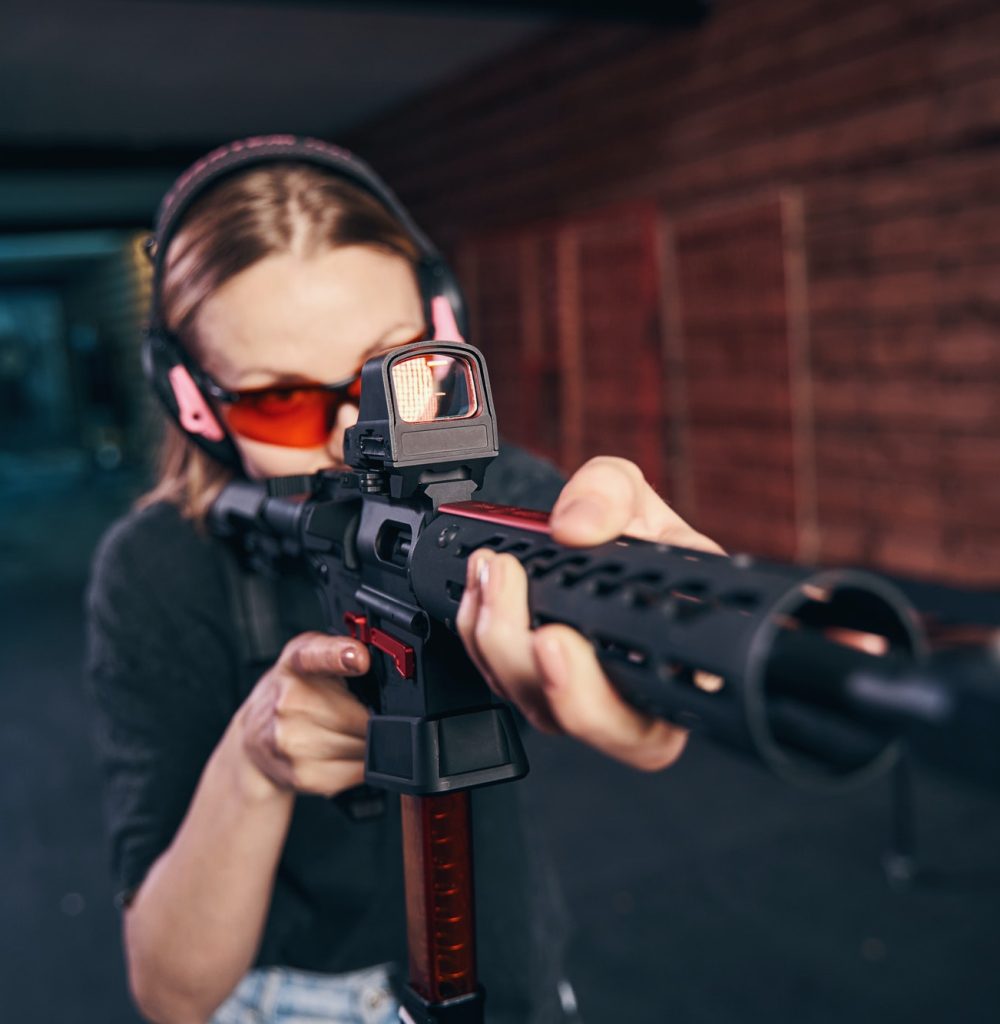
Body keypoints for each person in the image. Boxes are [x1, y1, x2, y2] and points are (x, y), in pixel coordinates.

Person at [85, 136, 721, 1024]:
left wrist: (682, 622)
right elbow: (169, 990)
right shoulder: (158, 568)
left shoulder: (484, 490)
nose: (355, 434)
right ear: (194, 403)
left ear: (445, 331)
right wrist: (255, 763)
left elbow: (617, 577)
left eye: (393, 373)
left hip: (508, 977)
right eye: (282, 400)